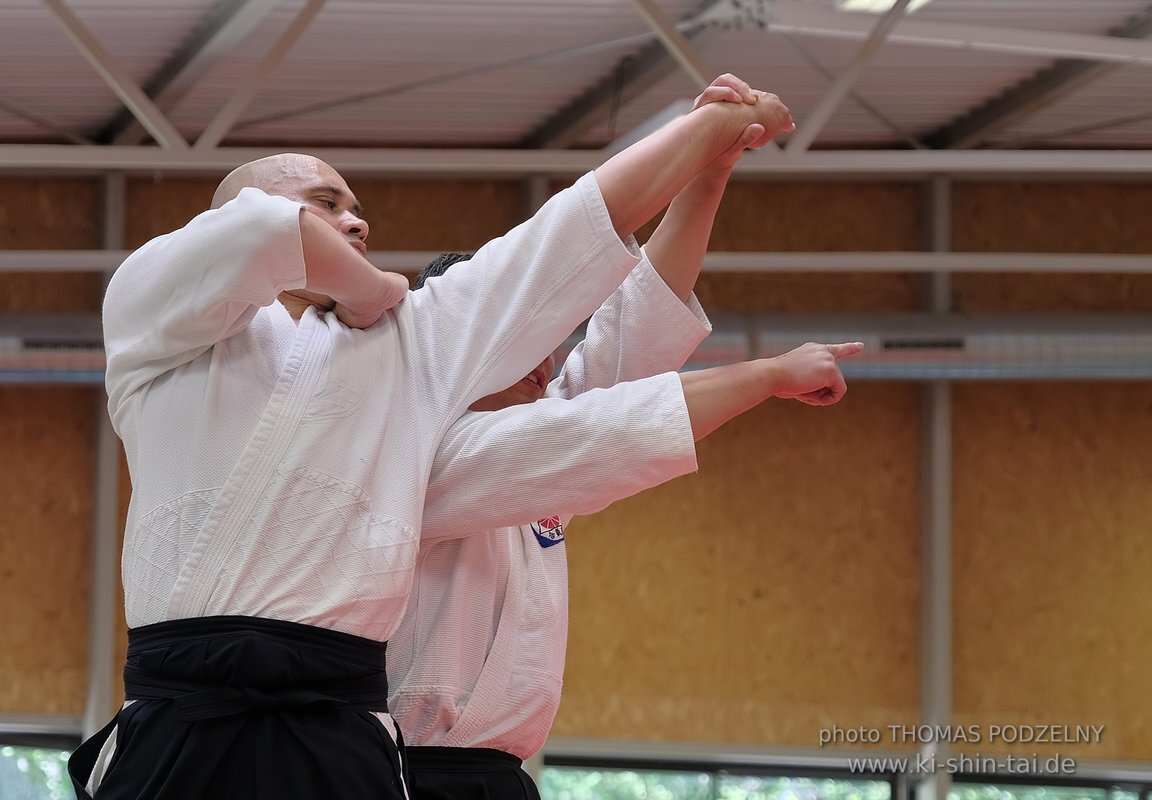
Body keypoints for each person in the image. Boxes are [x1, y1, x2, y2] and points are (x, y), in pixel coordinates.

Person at [68, 76, 797, 799]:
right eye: (327, 204)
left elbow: (563, 239)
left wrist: (707, 141)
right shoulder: (149, 313)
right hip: (180, 710)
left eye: (358, 212)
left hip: (340, 718)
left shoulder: (405, 358)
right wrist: (372, 288)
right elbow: (260, 233)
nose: (355, 221)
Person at [388, 117, 861, 799]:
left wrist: (708, 176)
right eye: (518, 337)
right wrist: (763, 377)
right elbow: (601, 434)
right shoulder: (420, 455)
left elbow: (635, 331)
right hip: (404, 774)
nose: (542, 355)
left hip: (498, 775)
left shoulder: (541, 431)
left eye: (544, 337)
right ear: (454, 350)